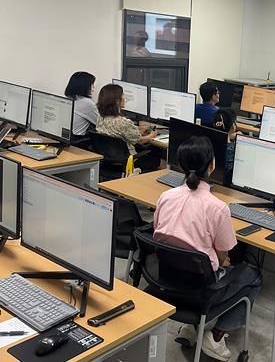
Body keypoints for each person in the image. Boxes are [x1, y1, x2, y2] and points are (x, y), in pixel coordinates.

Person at [153, 136, 262, 361]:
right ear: (212, 165)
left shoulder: (165, 197)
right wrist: (220, 259)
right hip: (200, 292)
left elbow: (160, 234)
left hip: (165, 282)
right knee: (253, 275)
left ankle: (191, 328)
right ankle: (216, 335)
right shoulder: (218, 208)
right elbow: (223, 255)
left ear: (180, 163)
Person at [95, 84, 160, 172]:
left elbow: (119, 132)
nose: (124, 98)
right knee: (159, 159)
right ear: (117, 101)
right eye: (122, 95)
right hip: (130, 162)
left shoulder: (100, 118)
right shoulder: (124, 122)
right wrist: (152, 135)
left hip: (108, 160)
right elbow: (140, 140)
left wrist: (138, 131)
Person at [64, 71, 99, 136]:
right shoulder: (86, 103)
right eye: (92, 85)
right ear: (85, 86)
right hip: (77, 139)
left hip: (66, 136)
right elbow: (100, 123)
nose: (93, 88)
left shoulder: (68, 98)